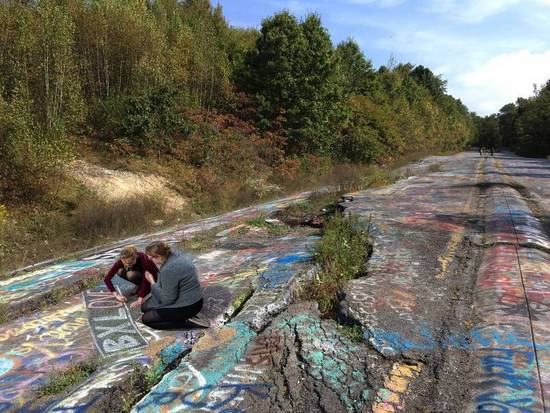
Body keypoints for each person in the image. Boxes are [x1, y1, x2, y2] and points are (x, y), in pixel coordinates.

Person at [141, 241, 210, 329]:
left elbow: (168, 300)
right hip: (195, 300)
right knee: (144, 307)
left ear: (158, 257)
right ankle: (183, 317)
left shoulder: (169, 269)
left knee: (146, 318)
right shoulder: (175, 256)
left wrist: (152, 282)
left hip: (188, 307)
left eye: (151, 258)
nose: (150, 260)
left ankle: (188, 323)